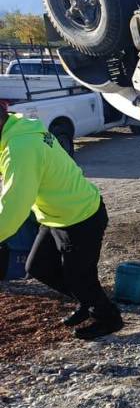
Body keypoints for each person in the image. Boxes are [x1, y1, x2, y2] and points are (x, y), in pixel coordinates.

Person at [0, 104, 122, 339]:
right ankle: (87, 301)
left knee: (79, 277)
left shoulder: (21, 147)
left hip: (81, 217)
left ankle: (109, 318)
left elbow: (13, 210)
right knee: (38, 267)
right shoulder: (17, 130)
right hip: (57, 216)